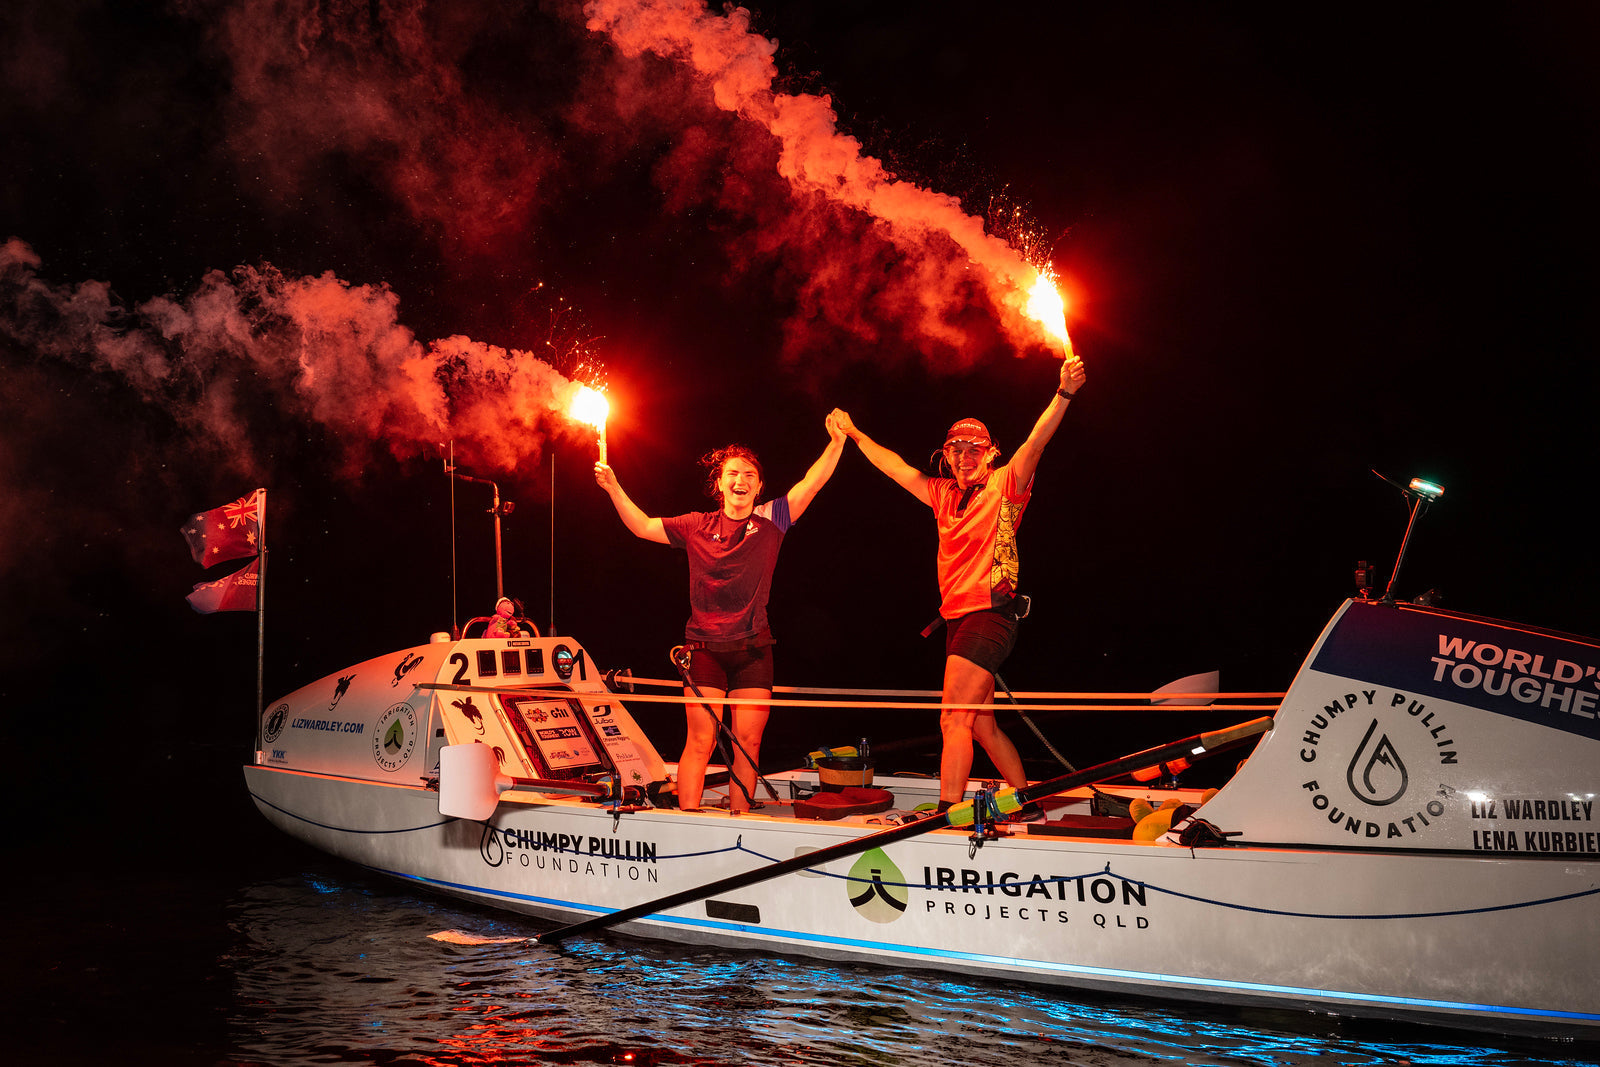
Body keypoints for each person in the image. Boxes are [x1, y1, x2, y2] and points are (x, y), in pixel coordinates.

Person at [831, 352, 1087, 817]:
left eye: (974, 451)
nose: (964, 459)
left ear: (990, 454)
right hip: (957, 618)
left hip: (990, 614)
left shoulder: (1006, 483)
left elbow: (1036, 442)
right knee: (982, 725)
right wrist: (853, 434)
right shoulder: (942, 492)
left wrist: (1064, 392)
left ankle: (949, 813)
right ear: (946, 456)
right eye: (956, 451)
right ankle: (1028, 803)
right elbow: (892, 466)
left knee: (953, 718)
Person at [595, 415, 847, 811]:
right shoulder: (696, 525)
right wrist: (613, 487)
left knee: (748, 743)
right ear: (720, 484)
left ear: (759, 486)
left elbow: (811, 483)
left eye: (749, 474)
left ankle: (739, 819)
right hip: (704, 651)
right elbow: (643, 526)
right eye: (732, 473)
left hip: (753, 650)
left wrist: (836, 442)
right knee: (701, 740)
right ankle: (688, 818)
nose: (740, 480)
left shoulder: (771, 519)